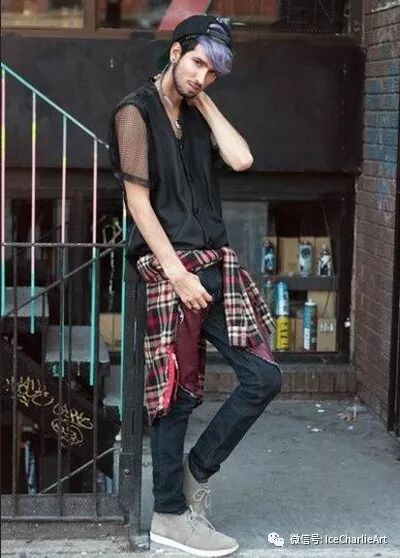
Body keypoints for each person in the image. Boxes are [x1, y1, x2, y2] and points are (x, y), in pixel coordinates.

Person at [109, 14, 282, 557]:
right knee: (176, 397)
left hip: (214, 265)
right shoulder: (134, 113)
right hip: (173, 271)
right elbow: (138, 203)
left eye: (212, 73)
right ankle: (168, 515)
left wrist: (202, 101)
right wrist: (177, 274)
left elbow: (242, 158)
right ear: (175, 51)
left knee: (263, 377)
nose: (202, 77)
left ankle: (196, 473)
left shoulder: (198, 110)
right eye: (197, 63)